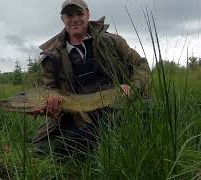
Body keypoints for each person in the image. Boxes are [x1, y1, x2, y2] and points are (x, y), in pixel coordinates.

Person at [32, 0, 150, 155]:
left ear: (88, 14)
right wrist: (49, 110)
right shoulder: (51, 57)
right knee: (41, 150)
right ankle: (97, 144)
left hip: (118, 110)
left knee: (153, 109)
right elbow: (50, 92)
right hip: (79, 120)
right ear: (63, 19)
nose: (75, 19)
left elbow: (142, 65)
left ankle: (111, 144)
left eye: (79, 13)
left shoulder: (112, 41)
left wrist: (132, 88)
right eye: (69, 15)